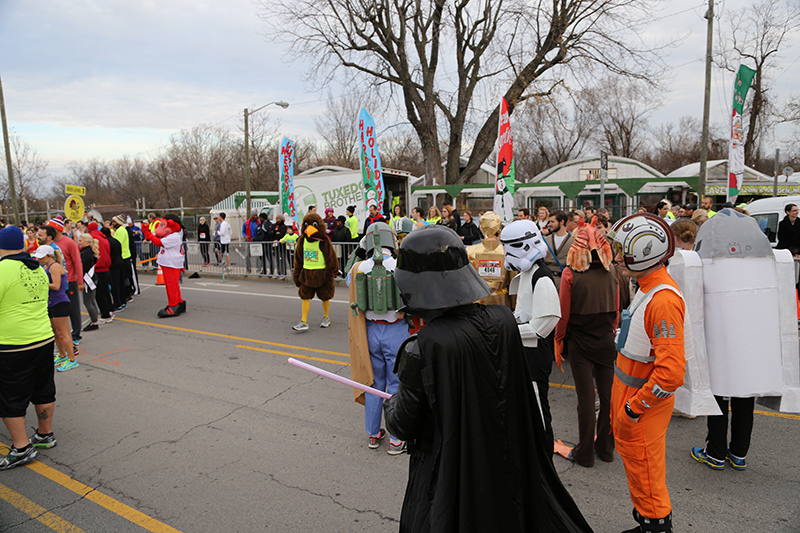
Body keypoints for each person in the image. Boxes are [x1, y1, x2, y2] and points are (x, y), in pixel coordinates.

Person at [383, 224, 593, 532]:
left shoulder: (423, 347)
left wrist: (394, 401)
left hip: (451, 473)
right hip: (505, 461)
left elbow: (401, 424)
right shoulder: (502, 320)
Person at [607, 213, 686, 533]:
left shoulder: (662, 299)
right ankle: (647, 522)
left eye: (621, 250)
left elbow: (671, 374)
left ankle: (656, 526)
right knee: (640, 471)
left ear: (643, 251)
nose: (615, 257)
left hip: (641, 407)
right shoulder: (647, 286)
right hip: (633, 400)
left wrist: (633, 408)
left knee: (647, 472)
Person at [555, 223, 618, 468]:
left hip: (580, 340)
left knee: (585, 398)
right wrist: (610, 332)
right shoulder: (612, 270)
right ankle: (606, 448)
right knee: (607, 396)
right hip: (605, 338)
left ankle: (584, 453)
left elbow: (563, 315)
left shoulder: (570, 274)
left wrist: (558, 341)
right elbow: (616, 308)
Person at [0, 226, 59, 470]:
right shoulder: (37, 268)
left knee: (10, 396)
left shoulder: (3, 268)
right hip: (43, 337)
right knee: (43, 388)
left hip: (13, 343)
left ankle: (21, 448)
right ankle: (45, 435)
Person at [500, 220, 561, 456]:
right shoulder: (529, 273)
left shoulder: (541, 277)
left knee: (537, 409)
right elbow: (524, 311)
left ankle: (544, 456)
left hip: (535, 355)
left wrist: (510, 330)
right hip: (524, 353)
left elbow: (543, 325)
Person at [347, 222, 408, 455]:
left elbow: (348, 283)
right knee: (397, 384)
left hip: (370, 331)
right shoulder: (400, 265)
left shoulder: (359, 268)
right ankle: (396, 439)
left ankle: (373, 434)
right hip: (396, 330)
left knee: (373, 382)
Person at [34, 245, 78, 372]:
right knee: (56, 333)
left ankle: (71, 359)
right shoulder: (46, 267)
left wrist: (41, 283)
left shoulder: (54, 267)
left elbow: (56, 285)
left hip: (60, 302)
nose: (40, 260)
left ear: (49, 256)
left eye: (42, 257)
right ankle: (62, 355)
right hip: (52, 303)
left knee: (63, 333)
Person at [291, 214, 338, 331]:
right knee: (304, 296)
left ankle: (326, 317)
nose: (309, 228)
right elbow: (298, 259)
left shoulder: (323, 240)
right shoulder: (302, 241)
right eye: (307, 225)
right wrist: (296, 275)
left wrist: (331, 273)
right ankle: (304, 321)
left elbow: (331, 257)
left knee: (325, 296)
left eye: (314, 225)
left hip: (322, 274)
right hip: (306, 274)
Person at [47, 219, 83, 346]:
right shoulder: (48, 244)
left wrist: (80, 281)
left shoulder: (69, 243)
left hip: (70, 280)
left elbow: (77, 262)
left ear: (56, 229)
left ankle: (76, 334)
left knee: (73, 309)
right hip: (56, 284)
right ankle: (64, 335)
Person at [142, 215, 187, 317]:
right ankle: (179, 302)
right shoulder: (172, 235)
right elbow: (158, 236)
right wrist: (149, 231)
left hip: (171, 264)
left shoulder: (174, 236)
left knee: (171, 286)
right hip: (170, 263)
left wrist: (147, 233)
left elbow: (158, 242)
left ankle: (173, 305)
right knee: (173, 285)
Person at [542, 210, 574, 293]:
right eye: (549, 221)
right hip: (547, 281)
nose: (549, 224)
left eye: (552, 222)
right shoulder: (545, 240)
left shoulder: (573, 241)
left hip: (565, 282)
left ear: (562, 222)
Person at [88, 223, 114, 323]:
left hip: (98, 268)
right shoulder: (104, 238)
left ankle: (105, 314)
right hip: (106, 267)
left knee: (99, 293)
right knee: (106, 291)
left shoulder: (92, 239)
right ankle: (110, 310)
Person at [78, 233, 100, 332]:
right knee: (91, 300)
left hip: (88, 279)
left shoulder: (85, 253)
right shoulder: (89, 251)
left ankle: (94, 322)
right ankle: (95, 319)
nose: (79, 243)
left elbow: (83, 268)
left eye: (80, 240)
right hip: (92, 277)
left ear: (86, 242)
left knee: (87, 301)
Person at [102, 226, 125, 312]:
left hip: (112, 265)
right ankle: (122, 301)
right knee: (120, 284)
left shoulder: (106, 242)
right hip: (120, 262)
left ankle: (117, 303)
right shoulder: (116, 241)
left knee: (114, 285)